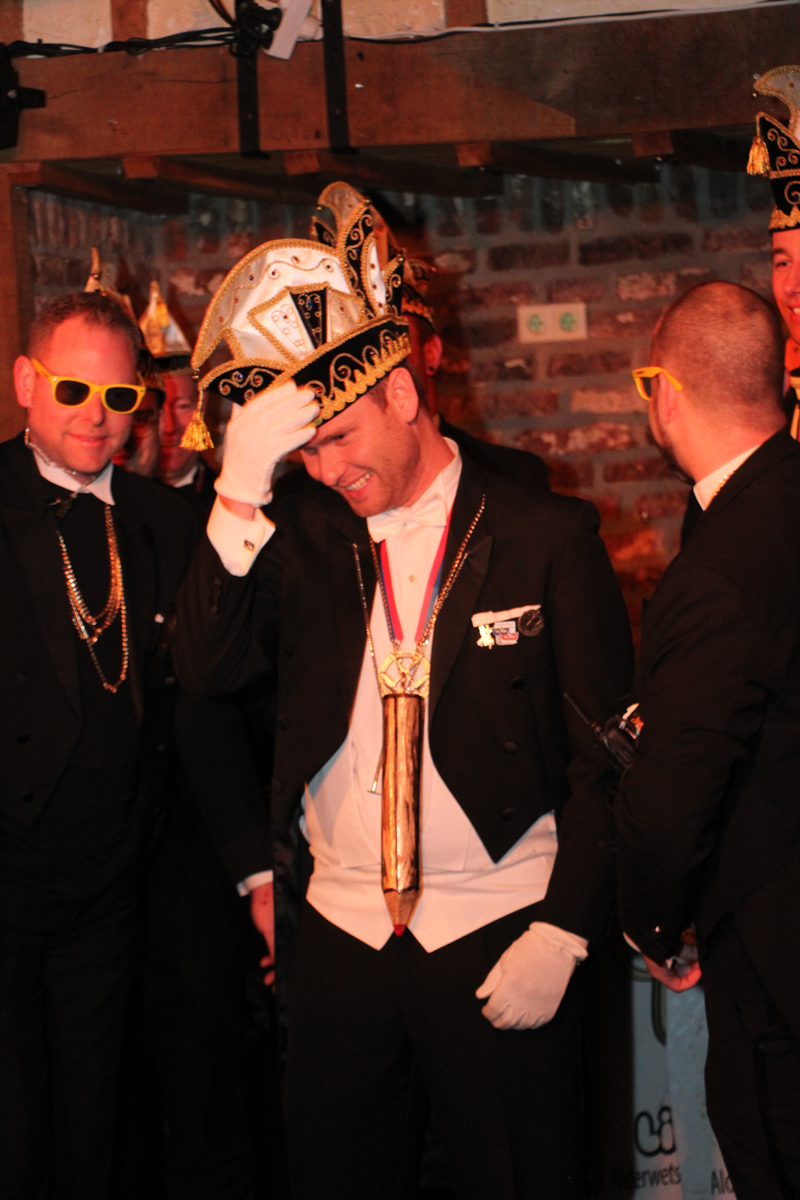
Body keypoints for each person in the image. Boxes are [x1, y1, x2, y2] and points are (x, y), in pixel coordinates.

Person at [175, 183, 633, 1199]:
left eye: (338, 437)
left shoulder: (545, 535)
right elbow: (203, 672)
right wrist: (237, 490)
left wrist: (564, 927)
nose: (324, 468)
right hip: (339, 942)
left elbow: (605, 762)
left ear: (402, 393)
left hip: (500, 930)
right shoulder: (298, 534)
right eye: (305, 449)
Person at [0, 291, 195, 1199]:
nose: (95, 415)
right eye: (73, 389)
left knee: (97, 1121)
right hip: (6, 870)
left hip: (115, 875)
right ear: (26, 383)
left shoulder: (162, 519)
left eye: (119, 398)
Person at [616, 281, 800, 1199]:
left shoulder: (722, 564)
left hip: (775, 957)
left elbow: (677, 784)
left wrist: (657, 921)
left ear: (668, 393)